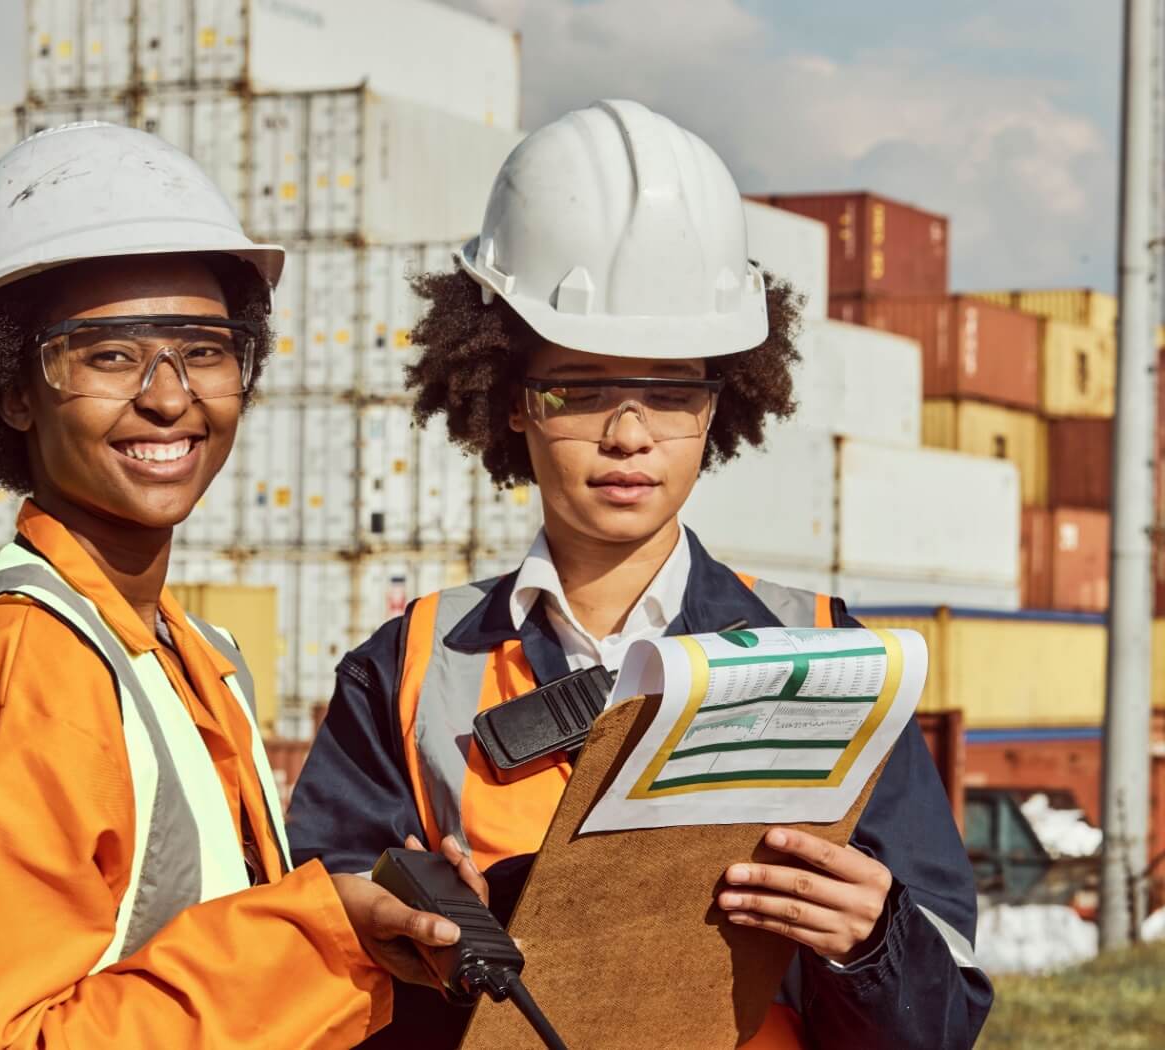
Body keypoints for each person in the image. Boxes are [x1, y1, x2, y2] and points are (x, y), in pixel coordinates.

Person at [0, 122, 484, 1050]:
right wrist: (318, 943)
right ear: (13, 391)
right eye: (108, 354)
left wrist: (365, 927)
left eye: (206, 349)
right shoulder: (21, 673)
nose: (170, 395)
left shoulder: (189, 658)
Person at [287, 100, 993, 1048]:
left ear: (721, 404)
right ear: (510, 401)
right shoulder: (403, 672)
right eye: (579, 391)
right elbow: (316, 980)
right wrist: (422, 939)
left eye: (668, 394)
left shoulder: (832, 660)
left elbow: (944, 1023)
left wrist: (871, 945)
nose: (628, 435)